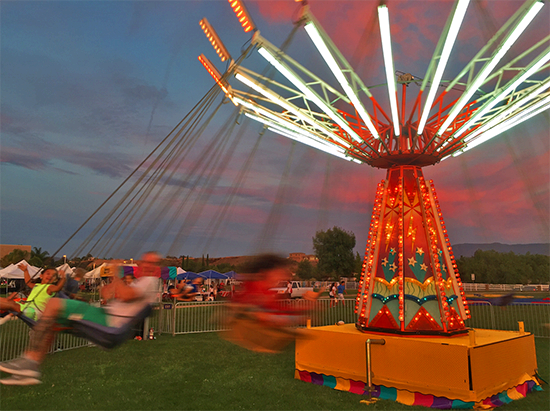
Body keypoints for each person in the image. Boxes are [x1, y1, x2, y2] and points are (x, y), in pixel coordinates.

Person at [0, 252, 161, 386]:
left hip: (108, 322)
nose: (147, 265)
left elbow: (126, 295)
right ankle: (29, 366)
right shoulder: (139, 283)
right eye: (145, 261)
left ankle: (30, 361)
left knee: (54, 304)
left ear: (156, 266)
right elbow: (107, 294)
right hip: (105, 318)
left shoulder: (151, 281)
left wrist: (118, 275)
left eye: (151, 263)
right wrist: (114, 278)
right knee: (52, 322)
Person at [0, 263, 66, 322]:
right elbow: (28, 282)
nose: (50, 276)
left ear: (55, 280)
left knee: (12, 305)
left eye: (53, 275)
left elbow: (57, 288)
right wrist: (25, 271)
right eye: (48, 273)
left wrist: (63, 278)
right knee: (7, 301)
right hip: (28, 307)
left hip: (35, 311)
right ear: (41, 276)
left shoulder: (50, 287)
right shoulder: (37, 285)